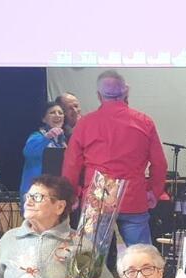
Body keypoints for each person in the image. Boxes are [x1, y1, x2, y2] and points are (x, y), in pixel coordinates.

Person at [63, 70, 169, 248]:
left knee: (88, 260)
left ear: (98, 95)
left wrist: (70, 194)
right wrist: (154, 191)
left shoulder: (86, 123)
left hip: (98, 198)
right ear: (126, 91)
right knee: (142, 257)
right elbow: (160, 163)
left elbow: (71, 164)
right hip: (133, 196)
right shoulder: (144, 122)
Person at [19, 101, 68, 204]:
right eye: (52, 112)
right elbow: (28, 152)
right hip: (36, 193)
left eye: (60, 112)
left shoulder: (63, 142)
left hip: (56, 193)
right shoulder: (36, 137)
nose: (57, 115)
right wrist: (46, 138)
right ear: (44, 119)